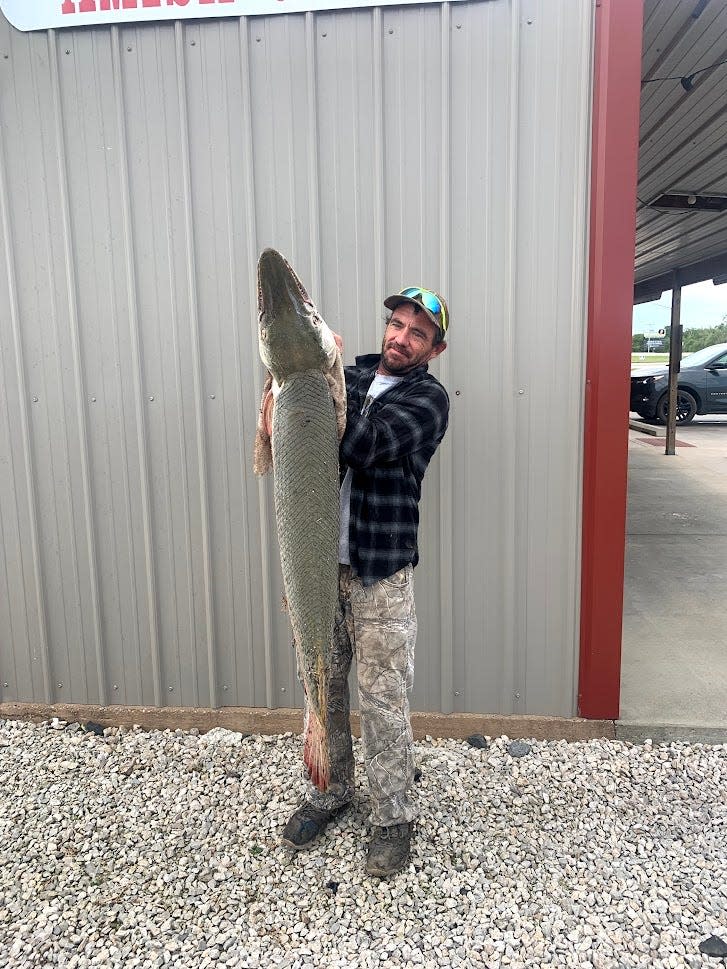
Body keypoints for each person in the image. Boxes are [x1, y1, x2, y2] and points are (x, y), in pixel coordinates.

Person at [281, 287, 450, 877]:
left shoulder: (428, 401)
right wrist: (308, 377)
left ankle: (392, 819)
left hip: (382, 575)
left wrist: (312, 382)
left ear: (435, 348)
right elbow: (296, 434)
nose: (400, 337)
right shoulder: (347, 377)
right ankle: (329, 794)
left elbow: (363, 445)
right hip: (324, 569)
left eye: (417, 333)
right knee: (321, 690)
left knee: (383, 703)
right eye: (396, 324)